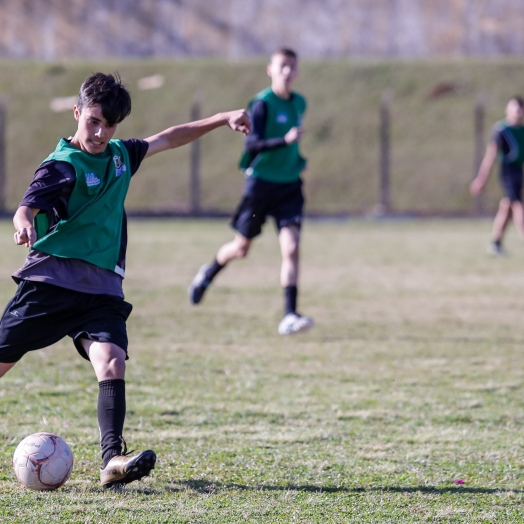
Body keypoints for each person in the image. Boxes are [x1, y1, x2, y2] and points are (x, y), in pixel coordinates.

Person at [0, 72, 250, 488]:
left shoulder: (119, 156)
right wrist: (24, 222)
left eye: (109, 125)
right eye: (92, 121)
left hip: (100, 290)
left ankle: (111, 459)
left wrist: (222, 116)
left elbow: (169, 137)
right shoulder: (62, 165)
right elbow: (27, 205)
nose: (100, 133)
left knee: (112, 362)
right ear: (77, 113)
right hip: (51, 283)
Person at [188, 48, 313, 336]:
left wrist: (295, 159)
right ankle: (209, 272)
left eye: (292, 67)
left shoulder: (299, 103)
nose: (287, 72)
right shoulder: (262, 104)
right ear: (270, 69)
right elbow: (252, 145)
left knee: (292, 248)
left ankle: (289, 315)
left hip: (290, 186)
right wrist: (285, 140)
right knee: (241, 248)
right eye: (282, 66)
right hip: (261, 186)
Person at [470, 96, 524, 256]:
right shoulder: (501, 130)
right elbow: (490, 156)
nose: (518, 111)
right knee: (518, 207)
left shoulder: (522, 130)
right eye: (515, 108)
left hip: (518, 172)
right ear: (507, 110)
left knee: (506, 208)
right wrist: (481, 179)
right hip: (507, 173)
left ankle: (496, 243)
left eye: (520, 108)